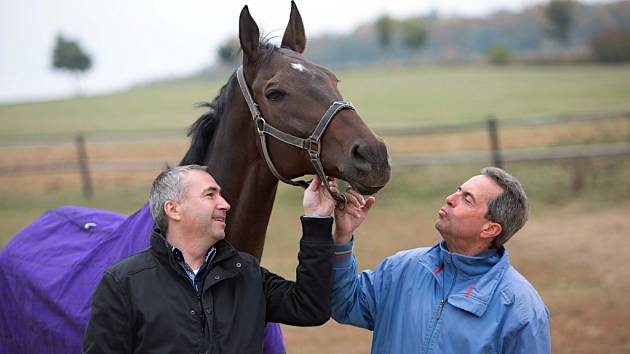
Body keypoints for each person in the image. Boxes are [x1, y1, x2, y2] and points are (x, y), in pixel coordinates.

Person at [83, 164, 343, 353]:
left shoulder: (246, 272)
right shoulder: (123, 283)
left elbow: (310, 307)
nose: (226, 204)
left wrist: (317, 220)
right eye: (210, 195)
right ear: (173, 209)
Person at [331, 167, 551, 354]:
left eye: (467, 198)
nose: (450, 198)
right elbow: (344, 304)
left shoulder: (521, 309)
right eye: (458, 190)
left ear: (490, 229)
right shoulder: (402, 268)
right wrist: (342, 238)